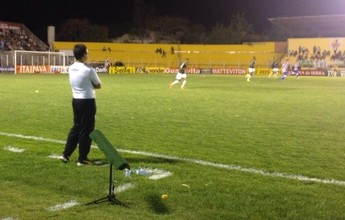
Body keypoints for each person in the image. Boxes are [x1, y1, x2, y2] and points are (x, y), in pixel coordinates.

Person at [59, 44, 102, 166]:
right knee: (86, 130)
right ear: (83, 55)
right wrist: (89, 85)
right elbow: (98, 85)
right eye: (87, 53)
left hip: (76, 101)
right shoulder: (89, 70)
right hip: (87, 102)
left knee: (76, 128)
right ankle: (82, 158)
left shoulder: (71, 68)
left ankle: (66, 154)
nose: (88, 55)